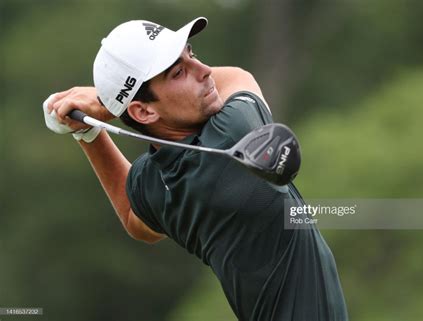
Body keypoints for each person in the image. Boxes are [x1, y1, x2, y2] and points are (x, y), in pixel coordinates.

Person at [44, 17, 349, 321]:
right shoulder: (232, 133)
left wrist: (88, 133)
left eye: (191, 55)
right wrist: (103, 102)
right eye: (179, 72)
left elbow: (134, 218)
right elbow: (237, 77)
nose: (204, 71)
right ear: (143, 111)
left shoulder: (154, 182)